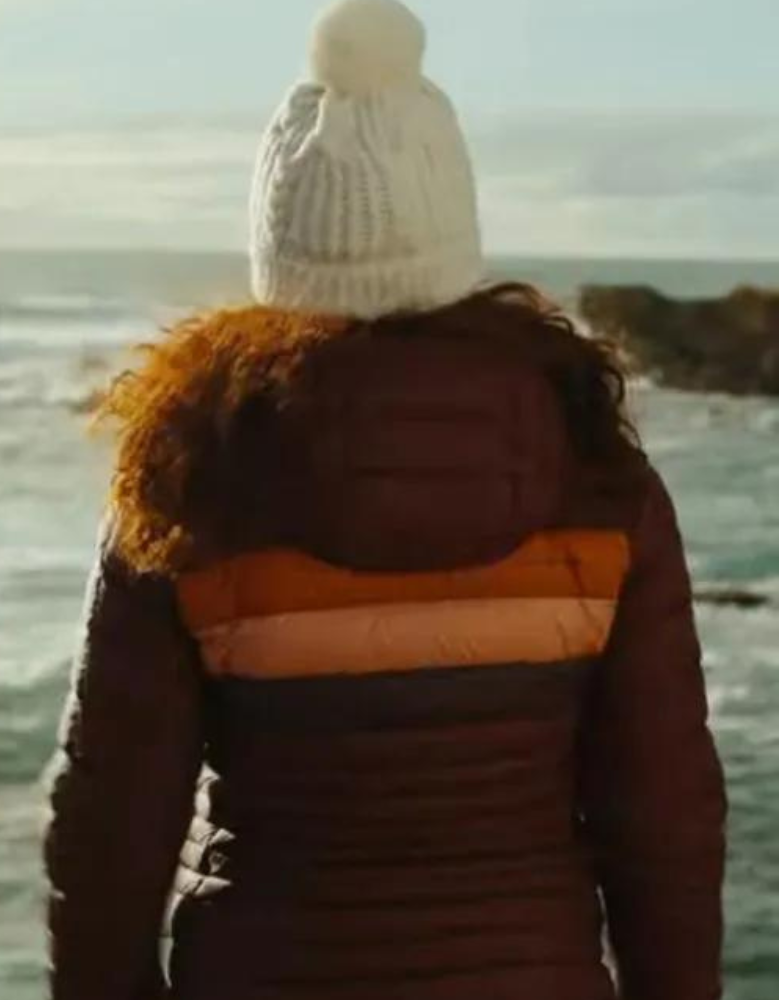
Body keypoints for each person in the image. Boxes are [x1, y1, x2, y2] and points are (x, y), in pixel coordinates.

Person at [43, 1, 727, 998]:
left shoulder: (191, 482)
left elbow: (110, 825)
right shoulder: (596, 477)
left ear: (278, 249)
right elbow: (662, 812)